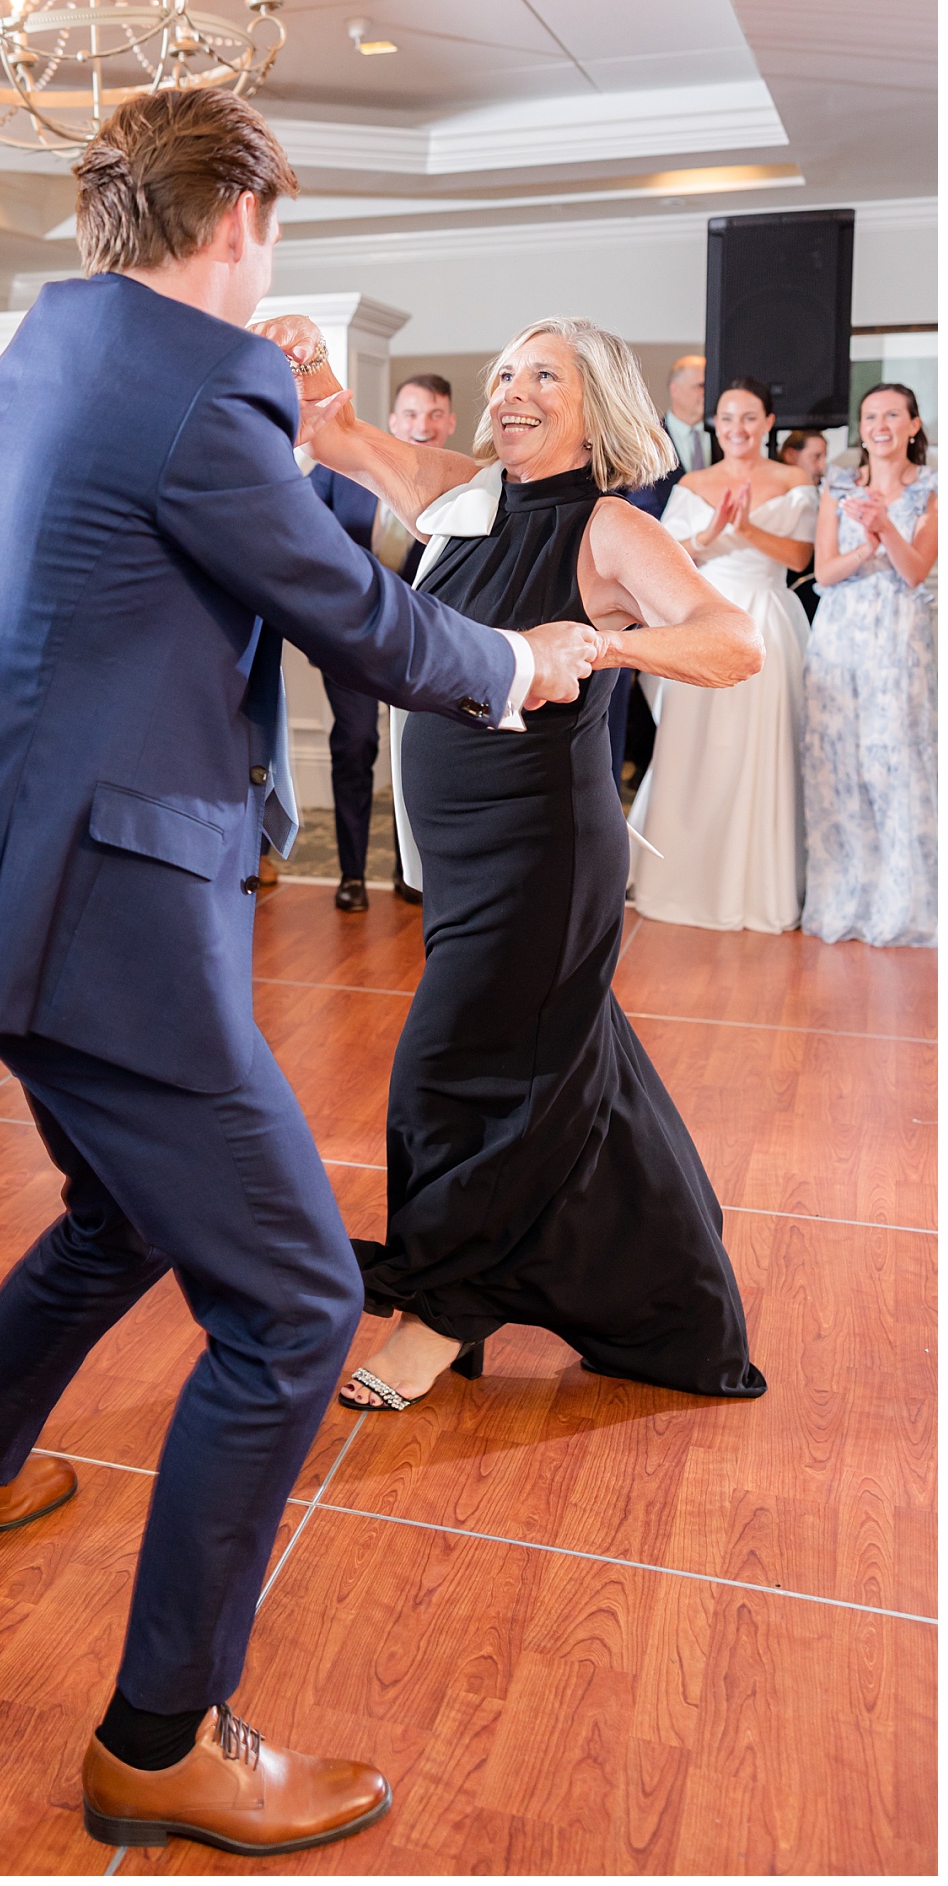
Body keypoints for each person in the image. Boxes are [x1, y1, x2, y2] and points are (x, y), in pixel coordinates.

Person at [0, 84, 600, 1857]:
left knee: (121, 1211)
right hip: (99, 914)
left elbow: (212, 570)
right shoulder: (209, 385)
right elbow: (349, 616)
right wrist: (522, 663)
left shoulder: (48, 349)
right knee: (284, 1309)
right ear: (239, 221)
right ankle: (159, 1737)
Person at [294, 315, 765, 1413]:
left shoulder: (605, 527)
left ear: (593, 403)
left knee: (446, 1071)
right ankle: (671, 1300)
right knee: (559, 1072)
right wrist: (305, 357)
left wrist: (602, 642)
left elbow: (729, 640)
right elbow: (332, 433)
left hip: (542, 851)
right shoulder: (461, 496)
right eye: (502, 370)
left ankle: (443, 1305)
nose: (510, 388)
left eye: (540, 375)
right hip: (457, 856)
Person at [629, 380, 817, 933]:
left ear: (768, 422)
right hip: (706, 617)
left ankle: (761, 883)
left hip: (768, 617)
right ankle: (686, 876)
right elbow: (664, 557)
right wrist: (710, 532)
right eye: (727, 418)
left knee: (764, 743)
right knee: (698, 744)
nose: (737, 428)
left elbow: (800, 556)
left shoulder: (794, 481)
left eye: (749, 418)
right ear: (717, 424)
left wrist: (748, 526)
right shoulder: (694, 484)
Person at [305, 376, 454, 909]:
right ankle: (351, 875)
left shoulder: (462, 485)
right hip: (348, 636)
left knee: (415, 753)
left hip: (422, 642)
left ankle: (407, 871)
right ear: (393, 421)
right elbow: (298, 534)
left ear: (450, 423)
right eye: (412, 414)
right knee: (356, 743)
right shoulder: (336, 471)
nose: (422, 425)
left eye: (434, 415)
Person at [803, 384, 937, 947]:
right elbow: (824, 571)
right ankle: (844, 899)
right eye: (870, 416)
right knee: (840, 764)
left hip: (900, 637)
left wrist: (884, 527)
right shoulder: (837, 485)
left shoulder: (932, 488)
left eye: (891, 415)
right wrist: (864, 546)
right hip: (840, 635)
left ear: (912, 425)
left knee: (897, 761)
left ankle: (904, 904)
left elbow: (915, 571)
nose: (880, 425)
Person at [611, 351, 720, 779]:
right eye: (699, 386)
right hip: (656, 579)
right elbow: (637, 510)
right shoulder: (644, 440)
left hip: (718, 582)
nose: (707, 396)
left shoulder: (725, 438)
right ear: (675, 390)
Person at [778, 428, 830, 620]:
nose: (822, 467)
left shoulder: (825, 495)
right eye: (816, 457)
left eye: (824, 458)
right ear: (790, 455)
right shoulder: (778, 501)